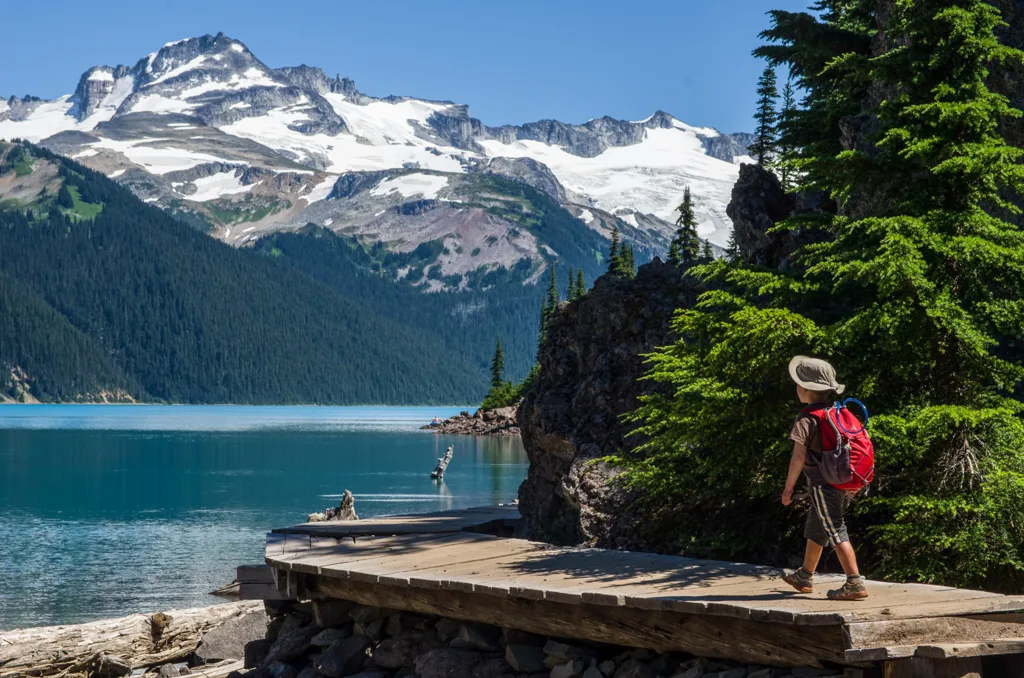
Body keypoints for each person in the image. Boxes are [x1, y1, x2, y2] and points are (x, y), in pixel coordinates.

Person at [780, 356, 868, 601]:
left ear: (807, 389)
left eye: (798, 384)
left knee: (835, 528)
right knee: (818, 526)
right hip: (841, 480)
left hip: (822, 483)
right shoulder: (838, 412)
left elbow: (798, 457)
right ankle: (804, 576)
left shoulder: (807, 418)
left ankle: (854, 583)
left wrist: (788, 489)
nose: (796, 388)